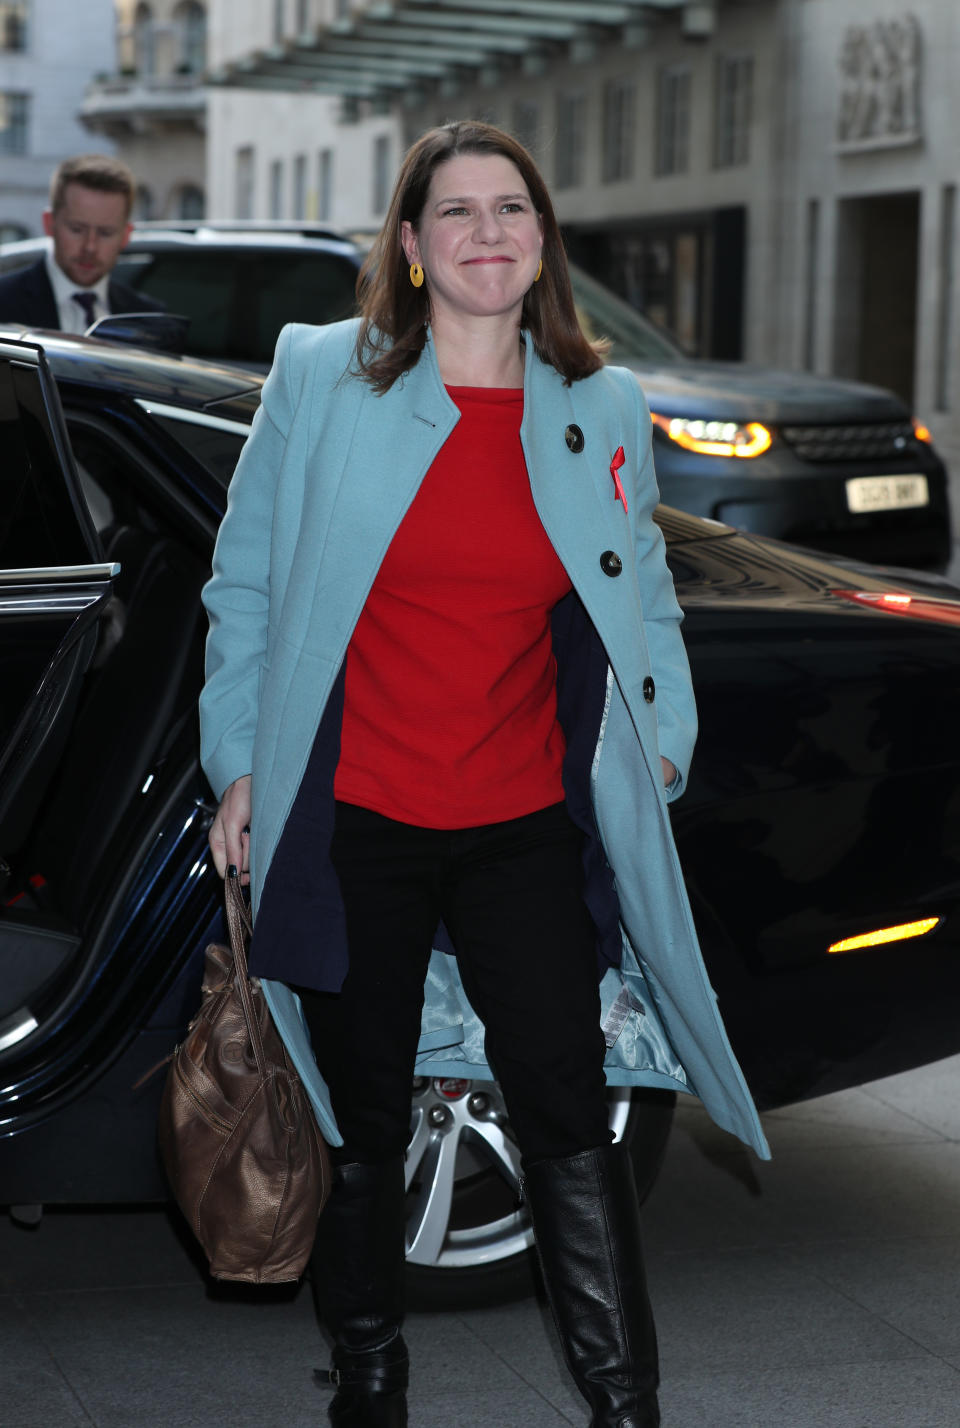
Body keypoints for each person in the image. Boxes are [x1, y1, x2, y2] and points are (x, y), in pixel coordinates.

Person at [199, 120, 768, 1428]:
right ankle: (371, 1388)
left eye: (511, 209)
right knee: (364, 1128)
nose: (488, 233)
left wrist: (663, 726)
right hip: (355, 819)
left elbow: (648, 594)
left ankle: (625, 1405)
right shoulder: (321, 376)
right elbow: (243, 587)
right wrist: (238, 760)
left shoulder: (601, 403)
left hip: (521, 820)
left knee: (572, 1112)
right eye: (456, 213)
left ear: (543, 240)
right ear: (408, 246)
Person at [0, 153, 163, 331]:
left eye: (105, 233)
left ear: (126, 236)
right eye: (77, 229)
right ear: (49, 223)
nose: (90, 247)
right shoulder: (4, 301)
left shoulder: (148, 320)